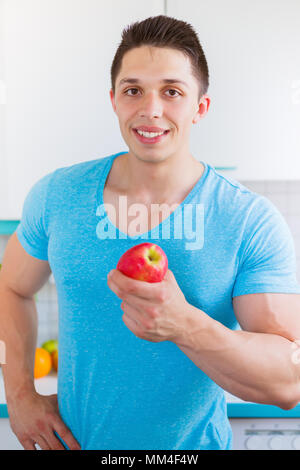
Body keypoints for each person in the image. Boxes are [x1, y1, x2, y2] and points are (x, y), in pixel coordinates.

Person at [0, 14, 300, 451]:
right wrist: (20, 393)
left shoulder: (247, 219)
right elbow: (10, 287)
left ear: (201, 107)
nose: (150, 109)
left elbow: (289, 379)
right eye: (133, 90)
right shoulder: (57, 195)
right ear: (114, 100)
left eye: (172, 92)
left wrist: (184, 325)